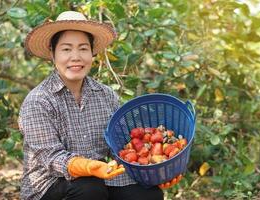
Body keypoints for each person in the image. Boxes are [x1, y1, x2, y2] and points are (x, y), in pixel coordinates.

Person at [18, 11, 181, 200]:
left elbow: (119, 148)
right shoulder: (38, 101)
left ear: (92, 53)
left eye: (83, 48)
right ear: (52, 54)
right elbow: (51, 158)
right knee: (89, 189)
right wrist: (88, 166)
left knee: (148, 194)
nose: (76, 57)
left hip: (99, 179)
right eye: (66, 49)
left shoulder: (105, 95)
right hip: (49, 185)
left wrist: (151, 170)